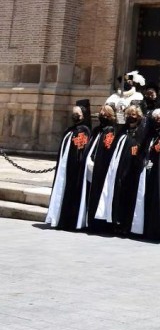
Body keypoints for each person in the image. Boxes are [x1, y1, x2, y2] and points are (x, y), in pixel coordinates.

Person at [45, 99, 93, 231]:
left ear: (83, 115)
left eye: (77, 113)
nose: (74, 116)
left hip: (74, 170)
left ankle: (70, 221)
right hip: (64, 169)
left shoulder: (84, 131)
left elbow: (81, 151)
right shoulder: (69, 130)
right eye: (73, 113)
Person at [107, 105, 148, 234]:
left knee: (129, 198)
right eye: (128, 114)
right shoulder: (122, 131)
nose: (131, 117)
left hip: (133, 171)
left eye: (133, 115)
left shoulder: (141, 133)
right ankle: (116, 222)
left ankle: (127, 225)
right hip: (120, 171)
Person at [80, 103, 119, 233]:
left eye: (105, 113)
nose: (102, 115)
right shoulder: (97, 130)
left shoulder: (111, 132)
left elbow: (107, 151)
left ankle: (97, 223)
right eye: (101, 112)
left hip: (102, 169)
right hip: (91, 167)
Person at [130, 109, 160, 239]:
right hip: (145, 172)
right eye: (156, 118)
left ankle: (155, 229)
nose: (159, 120)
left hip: (158, 173)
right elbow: (142, 151)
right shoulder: (149, 136)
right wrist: (144, 161)